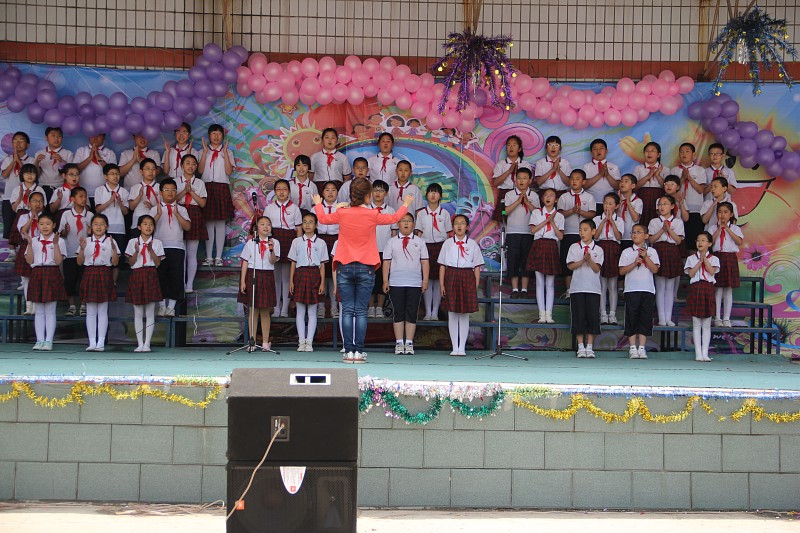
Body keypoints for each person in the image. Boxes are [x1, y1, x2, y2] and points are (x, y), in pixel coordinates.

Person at [313, 178, 414, 363]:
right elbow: (393, 218)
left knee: (347, 310)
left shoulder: (343, 212)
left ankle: (348, 352)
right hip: (365, 267)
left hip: (344, 266)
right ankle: (358, 352)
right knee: (360, 311)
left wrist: (318, 204)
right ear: (368, 195)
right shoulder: (372, 214)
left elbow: (323, 219)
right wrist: (406, 204)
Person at [383, 212, 429, 354]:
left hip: (414, 283)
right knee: (398, 312)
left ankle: (409, 343)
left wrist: (425, 281)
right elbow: (386, 262)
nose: (406, 223)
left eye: (409, 220)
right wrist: (385, 280)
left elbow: (425, 262)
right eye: (403, 220)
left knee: (411, 312)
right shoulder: (392, 242)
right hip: (396, 282)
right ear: (398, 224)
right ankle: (399, 343)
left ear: (414, 224)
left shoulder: (420, 241)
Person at [439, 214, 484, 356]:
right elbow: (442, 265)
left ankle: (462, 347)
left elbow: (477, 267)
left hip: (467, 277)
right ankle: (454, 347)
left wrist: (475, 285)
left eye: (462, 223)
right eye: (456, 223)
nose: (459, 226)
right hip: (451, 276)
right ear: (453, 227)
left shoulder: (472, 244)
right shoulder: (447, 244)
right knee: (452, 313)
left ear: (467, 227)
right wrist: (442, 284)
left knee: (464, 314)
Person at [77, 213, 119, 352]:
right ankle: (91, 342)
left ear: (107, 227)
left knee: (102, 310)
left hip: (104, 272)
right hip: (90, 272)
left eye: (102, 224)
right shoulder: (86, 241)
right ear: (91, 227)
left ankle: (101, 342)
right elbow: (79, 262)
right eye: (95, 224)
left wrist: (114, 249)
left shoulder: (110, 241)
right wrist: (82, 249)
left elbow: (115, 263)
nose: (99, 227)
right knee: (90, 310)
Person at [25, 212, 67, 351]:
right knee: (38, 310)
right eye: (41, 224)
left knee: (50, 310)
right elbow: (29, 260)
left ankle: (48, 340)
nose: (45, 227)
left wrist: (55, 244)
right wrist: (29, 245)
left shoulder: (60, 241)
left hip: (52, 272)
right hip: (37, 273)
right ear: (37, 225)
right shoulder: (34, 240)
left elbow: (59, 261)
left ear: (54, 225)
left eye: (48, 224)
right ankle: (39, 340)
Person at [618, 224, 660, 359]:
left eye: (638, 232)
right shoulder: (627, 252)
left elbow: (655, 269)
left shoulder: (652, 252)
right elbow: (621, 271)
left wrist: (646, 257)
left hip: (647, 289)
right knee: (632, 317)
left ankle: (642, 347)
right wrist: (634, 263)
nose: (635, 234)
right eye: (633, 232)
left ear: (646, 236)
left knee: (645, 318)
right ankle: (632, 347)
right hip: (631, 289)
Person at [238, 216, 279, 352]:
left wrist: (271, 249)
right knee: (253, 310)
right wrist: (243, 281)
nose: (266, 227)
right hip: (253, 274)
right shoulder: (251, 243)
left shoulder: (275, 242)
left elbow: (273, 261)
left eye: (268, 224)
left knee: (265, 310)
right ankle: (252, 341)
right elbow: (245, 261)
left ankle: (266, 342)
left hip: (267, 274)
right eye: (262, 224)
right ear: (257, 228)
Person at [288, 212, 328, 352]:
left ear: (316, 225)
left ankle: (309, 342)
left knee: (312, 311)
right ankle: (301, 342)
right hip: (300, 275)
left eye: (311, 222)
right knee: (300, 311)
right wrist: (291, 281)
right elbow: (293, 263)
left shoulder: (321, 243)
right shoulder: (296, 242)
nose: (307, 225)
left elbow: (322, 265)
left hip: (314, 275)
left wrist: (322, 282)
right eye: (304, 222)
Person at [125, 215, 165, 352]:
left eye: (151, 224)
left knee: (149, 311)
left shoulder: (157, 243)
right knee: (137, 311)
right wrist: (137, 251)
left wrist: (151, 250)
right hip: (137, 274)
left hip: (150, 273)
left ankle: (147, 343)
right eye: (145, 224)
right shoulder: (132, 242)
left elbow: (158, 263)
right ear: (139, 227)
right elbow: (131, 262)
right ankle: (139, 343)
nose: (148, 227)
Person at [263, 179, 302, 317]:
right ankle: (276, 308)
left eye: (284, 189)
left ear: (289, 192)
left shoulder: (295, 208)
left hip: (289, 240)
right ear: (274, 191)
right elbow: (265, 227)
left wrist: (298, 246)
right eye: (278, 189)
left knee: (286, 277)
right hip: (274, 239)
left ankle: (285, 309)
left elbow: (298, 229)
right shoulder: (269, 208)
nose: (281, 192)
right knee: (275, 277)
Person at [153, 179, 190, 317]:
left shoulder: (182, 209)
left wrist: (177, 214)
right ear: (161, 192)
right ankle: (162, 306)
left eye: (173, 190)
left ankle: (171, 307)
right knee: (160, 277)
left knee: (176, 277)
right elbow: (149, 227)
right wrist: (157, 214)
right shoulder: (154, 209)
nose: (170, 193)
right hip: (159, 247)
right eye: (167, 190)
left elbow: (187, 227)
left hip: (177, 246)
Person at [567, 219, 604, 358]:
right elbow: (570, 266)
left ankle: (590, 346)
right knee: (579, 317)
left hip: (593, 288)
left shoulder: (598, 250)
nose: (582, 233)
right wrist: (582, 260)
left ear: (593, 231)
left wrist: (589, 260)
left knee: (592, 317)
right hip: (577, 288)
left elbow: (597, 269)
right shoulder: (574, 247)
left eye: (585, 230)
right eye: (580, 230)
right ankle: (580, 346)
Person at [557, 169, 596, 298]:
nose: (574, 181)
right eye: (572, 179)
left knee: (583, 261)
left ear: (584, 182)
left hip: (584, 236)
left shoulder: (589, 197)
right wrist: (572, 211)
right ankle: (569, 289)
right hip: (568, 233)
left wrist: (581, 212)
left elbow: (592, 214)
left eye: (578, 179)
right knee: (567, 260)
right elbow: (559, 213)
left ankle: (582, 288)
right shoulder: (564, 197)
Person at [199, 124, 234, 266]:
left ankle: (218, 257)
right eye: (213, 133)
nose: (216, 136)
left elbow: (229, 172)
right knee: (208, 223)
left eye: (219, 133)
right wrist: (204, 152)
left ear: (223, 136)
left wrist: (224, 154)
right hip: (206, 187)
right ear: (209, 136)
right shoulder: (202, 151)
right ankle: (209, 257)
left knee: (220, 223)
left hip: (221, 187)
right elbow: (200, 171)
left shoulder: (228, 152)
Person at [527, 188, 564, 323]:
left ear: (556, 199)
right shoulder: (537, 213)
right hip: (539, 244)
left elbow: (560, 236)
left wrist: (552, 222)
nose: (548, 197)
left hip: (551, 246)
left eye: (551, 195)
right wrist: (546, 221)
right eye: (546, 195)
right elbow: (532, 230)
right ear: (542, 199)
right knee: (539, 282)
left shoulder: (559, 216)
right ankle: (541, 314)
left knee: (550, 283)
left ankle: (549, 314)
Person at [415, 182, 452, 318]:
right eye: (430, 192)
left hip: (441, 247)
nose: (433, 194)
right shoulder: (421, 214)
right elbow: (418, 233)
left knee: (438, 280)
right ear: (426, 195)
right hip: (425, 247)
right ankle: (427, 312)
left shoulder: (445, 214)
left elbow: (449, 234)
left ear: (440, 196)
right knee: (427, 279)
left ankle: (435, 312)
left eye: (436, 192)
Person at [648, 195, 685, 326]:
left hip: (672, 251)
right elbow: (651, 240)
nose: (662, 207)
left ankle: (668, 318)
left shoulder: (678, 222)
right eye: (660, 204)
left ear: (672, 206)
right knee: (660, 287)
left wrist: (669, 229)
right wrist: (662, 230)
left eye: (665, 204)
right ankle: (661, 318)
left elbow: (679, 240)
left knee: (669, 288)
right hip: (658, 251)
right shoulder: (654, 221)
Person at [503, 168, 539, 299]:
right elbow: (504, 212)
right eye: (519, 178)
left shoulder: (534, 196)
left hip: (529, 233)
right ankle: (514, 289)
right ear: (515, 180)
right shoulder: (509, 195)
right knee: (513, 260)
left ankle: (524, 289)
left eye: (524, 178)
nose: (521, 181)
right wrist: (518, 201)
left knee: (526, 261)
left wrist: (527, 202)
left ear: (530, 180)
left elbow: (538, 213)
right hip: (513, 232)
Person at [175, 154, 208, 294]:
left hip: (194, 213)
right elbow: (173, 199)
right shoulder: (175, 181)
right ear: (182, 165)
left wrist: (192, 193)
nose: (190, 166)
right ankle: (180, 283)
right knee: (181, 252)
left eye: (193, 164)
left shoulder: (200, 183)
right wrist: (184, 191)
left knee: (192, 253)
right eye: (187, 163)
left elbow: (202, 203)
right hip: (180, 212)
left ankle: (189, 285)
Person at [58, 187, 93, 317]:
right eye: (80, 196)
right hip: (70, 252)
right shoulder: (66, 214)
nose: (84, 199)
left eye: (85, 196)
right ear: (72, 199)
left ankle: (83, 305)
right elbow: (61, 232)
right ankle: (72, 306)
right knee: (70, 280)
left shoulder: (90, 215)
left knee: (84, 280)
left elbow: (95, 234)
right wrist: (65, 231)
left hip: (85, 255)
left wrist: (90, 232)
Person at [685, 232, 720, 362]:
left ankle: (705, 353)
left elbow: (712, 271)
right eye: (698, 240)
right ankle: (698, 353)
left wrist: (705, 259)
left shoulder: (714, 259)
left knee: (706, 324)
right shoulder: (691, 258)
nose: (700, 242)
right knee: (696, 324)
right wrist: (699, 261)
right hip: (695, 288)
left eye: (703, 240)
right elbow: (691, 274)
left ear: (709, 244)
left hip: (708, 289)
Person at [93, 163, 129, 285]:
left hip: (119, 229)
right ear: (105, 176)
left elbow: (125, 212)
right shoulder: (100, 190)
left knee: (117, 257)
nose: (115, 176)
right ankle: (103, 281)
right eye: (112, 174)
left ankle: (113, 282)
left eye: (117, 174)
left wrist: (119, 202)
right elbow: (98, 210)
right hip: (104, 229)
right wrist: (110, 201)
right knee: (104, 255)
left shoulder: (123, 191)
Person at [709, 202, 743, 327]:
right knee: (718, 289)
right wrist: (719, 229)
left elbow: (739, 241)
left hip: (730, 258)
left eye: (725, 212)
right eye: (719, 212)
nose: (722, 215)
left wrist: (727, 229)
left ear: (731, 214)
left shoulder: (735, 229)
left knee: (728, 289)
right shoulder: (713, 228)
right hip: (717, 258)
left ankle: (726, 318)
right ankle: (717, 317)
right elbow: (710, 242)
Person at [593, 192, 624, 325]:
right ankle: (603, 314)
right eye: (605, 203)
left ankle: (612, 314)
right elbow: (595, 236)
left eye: (610, 204)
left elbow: (618, 237)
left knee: (612, 285)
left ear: (616, 206)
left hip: (613, 249)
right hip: (600, 248)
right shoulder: (597, 219)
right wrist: (603, 221)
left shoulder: (619, 220)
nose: (607, 206)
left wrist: (611, 222)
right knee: (602, 284)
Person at [2, 132, 33, 256]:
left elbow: (27, 174)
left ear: (27, 145)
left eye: (21, 140)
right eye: (15, 141)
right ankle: (11, 251)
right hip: (9, 196)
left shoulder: (31, 160)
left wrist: (19, 161)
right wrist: (13, 160)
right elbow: (4, 175)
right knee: (10, 223)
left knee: (23, 222)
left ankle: (24, 249)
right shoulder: (8, 159)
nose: (18, 143)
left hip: (26, 197)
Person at [671, 143, 707, 251]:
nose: (684, 154)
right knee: (680, 237)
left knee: (693, 238)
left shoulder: (700, 170)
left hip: (695, 209)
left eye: (687, 151)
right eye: (681, 152)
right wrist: (682, 179)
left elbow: (700, 190)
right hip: (679, 208)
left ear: (693, 154)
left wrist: (689, 178)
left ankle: (693, 259)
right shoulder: (674, 170)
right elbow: (672, 190)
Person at [368, 180, 395, 318]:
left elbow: (394, 232)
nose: (378, 193)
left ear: (386, 193)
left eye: (381, 190)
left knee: (383, 279)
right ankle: (370, 307)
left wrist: (393, 251)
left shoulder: (390, 211)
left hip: (385, 251)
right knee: (369, 279)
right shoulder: (366, 209)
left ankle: (379, 307)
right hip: (368, 251)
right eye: (375, 190)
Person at [15, 191, 46, 316]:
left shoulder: (45, 217)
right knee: (26, 278)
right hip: (27, 246)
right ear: (29, 203)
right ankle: (29, 306)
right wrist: (31, 218)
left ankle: (37, 305)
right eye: (35, 201)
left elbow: (46, 231)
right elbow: (23, 231)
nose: (38, 204)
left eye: (40, 201)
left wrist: (38, 220)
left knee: (38, 277)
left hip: (40, 247)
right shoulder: (23, 217)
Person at [491, 135, 532, 223]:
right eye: (509, 145)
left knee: (520, 218)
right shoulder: (501, 164)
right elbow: (495, 183)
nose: (511, 147)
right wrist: (509, 171)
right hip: (504, 194)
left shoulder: (525, 164)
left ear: (519, 149)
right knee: (503, 216)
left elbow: (529, 182)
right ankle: (504, 232)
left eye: (514, 145)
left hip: (520, 194)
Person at [8, 163, 45, 253]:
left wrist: (35, 208)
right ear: (22, 175)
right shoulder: (17, 189)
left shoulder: (39, 189)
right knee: (16, 233)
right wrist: (21, 196)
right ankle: (13, 252)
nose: (30, 175)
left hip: (35, 214)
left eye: (33, 173)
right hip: (20, 214)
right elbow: (14, 208)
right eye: (27, 173)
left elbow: (43, 207)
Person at [74, 133, 117, 208]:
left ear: (104, 137)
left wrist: (99, 157)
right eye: (93, 134)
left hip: (104, 194)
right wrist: (89, 158)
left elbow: (112, 173)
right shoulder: (81, 151)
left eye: (99, 135)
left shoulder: (110, 153)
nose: (95, 138)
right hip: (83, 194)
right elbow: (75, 171)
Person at [317, 181, 340, 318]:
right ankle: (321, 306)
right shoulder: (317, 207)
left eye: (333, 190)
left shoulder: (342, 208)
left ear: (337, 192)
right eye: (327, 190)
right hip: (320, 240)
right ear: (322, 193)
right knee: (321, 274)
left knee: (334, 273)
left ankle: (334, 306)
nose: (330, 193)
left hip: (337, 240)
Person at [583, 138, 621, 214]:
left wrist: (607, 175)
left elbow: (618, 187)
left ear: (606, 151)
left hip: (609, 204)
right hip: (591, 202)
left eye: (601, 148)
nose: (598, 151)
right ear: (591, 152)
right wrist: (600, 174)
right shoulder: (587, 167)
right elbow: (585, 186)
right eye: (595, 149)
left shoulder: (614, 167)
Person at [633, 141, 666, 226]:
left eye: (652, 151)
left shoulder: (665, 169)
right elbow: (634, 187)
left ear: (658, 154)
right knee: (642, 222)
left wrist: (657, 175)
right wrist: (648, 176)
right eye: (647, 151)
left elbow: (667, 188)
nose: (649, 153)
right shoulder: (638, 168)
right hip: (642, 198)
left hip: (658, 198)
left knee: (657, 223)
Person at [34, 126, 73, 197]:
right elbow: (36, 174)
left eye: (59, 136)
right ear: (46, 138)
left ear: (62, 138)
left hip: (60, 187)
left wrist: (61, 161)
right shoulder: (39, 153)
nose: (56, 138)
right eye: (53, 135)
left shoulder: (68, 153)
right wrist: (36, 163)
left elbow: (71, 173)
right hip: (42, 187)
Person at [128, 159, 162, 239]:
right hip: (138, 223)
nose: (151, 171)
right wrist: (139, 196)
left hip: (155, 222)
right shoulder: (135, 187)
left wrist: (152, 207)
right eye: (147, 169)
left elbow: (163, 206)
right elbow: (131, 207)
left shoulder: (160, 187)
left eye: (153, 169)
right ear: (141, 171)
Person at [616, 174, 643, 251]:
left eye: (626, 181)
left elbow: (636, 218)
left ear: (633, 185)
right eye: (621, 181)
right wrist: (618, 203)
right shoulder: (617, 199)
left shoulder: (637, 201)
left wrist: (628, 202)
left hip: (630, 237)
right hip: (617, 236)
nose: (622, 183)